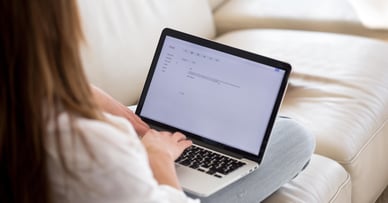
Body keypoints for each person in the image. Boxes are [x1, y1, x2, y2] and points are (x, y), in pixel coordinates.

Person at [0, 1, 315, 203]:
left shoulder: (23, 98)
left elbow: (39, 80)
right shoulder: (88, 145)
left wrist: (126, 116)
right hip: (149, 181)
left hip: (121, 165)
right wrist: (159, 157)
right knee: (294, 136)